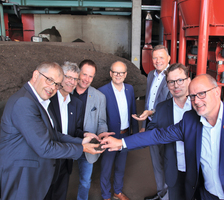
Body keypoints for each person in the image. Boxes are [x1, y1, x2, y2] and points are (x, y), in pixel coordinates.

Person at [101, 74, 224, 200]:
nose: (196, 101)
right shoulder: (190, 120)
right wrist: (121, 142)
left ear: (217, 92)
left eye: (201, 94)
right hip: (207, 195)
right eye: (192, 96)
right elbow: (158, 135)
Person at [0, 62, 102, 200]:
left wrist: (81, 141)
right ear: (35, 75)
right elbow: (45, 147)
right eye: (49, 80)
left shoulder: (38, 100)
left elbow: (52, 134)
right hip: (20, 177)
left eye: (56, 84)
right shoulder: (24, 102)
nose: (52, 87)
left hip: (32, 173)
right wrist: (82, 148)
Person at [146, 63, 191, 200]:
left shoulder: (198, 105)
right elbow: (151, 130)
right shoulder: (161, 108)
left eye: (180, 80)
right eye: (171, 82)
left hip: (196, 170)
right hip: (173, 168)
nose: (176, 85)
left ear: (188, 80)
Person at [132, 44, 172, 200]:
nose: (158, 60)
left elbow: (171, 104)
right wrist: (144, 125)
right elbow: (148, 101)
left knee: (167, 162)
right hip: (151, 124)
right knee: (156, 163)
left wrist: (152, 113)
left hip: (166, 126)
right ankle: (162, 194)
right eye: (155, 57)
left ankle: (169, 195)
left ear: (168, 58)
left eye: (161, 57)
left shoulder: (172, 76)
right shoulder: (150, 75)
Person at [98, 61, 139, 200]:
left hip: (125, 135)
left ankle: (117, 191)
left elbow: (133, 110)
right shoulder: (102, 91)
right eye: (115, 72)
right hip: (110, 136)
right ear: (110, 73)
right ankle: (105, 196)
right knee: (106, 168)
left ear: (125, 74)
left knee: (121, 167)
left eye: (121, 73)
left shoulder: (129, 89)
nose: (118, 75)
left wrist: (135, 131)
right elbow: (100, 116)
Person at [45, 61, 86, 200]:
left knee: (60, 195)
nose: (72, 82)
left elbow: (77, 131)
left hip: (66, 159)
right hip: (48, 159)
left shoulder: (77, 104)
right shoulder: (47, 100)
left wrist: (86, 135)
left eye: (75, 79)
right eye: (68, 77)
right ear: (60, 77)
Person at [72, 59, 108, 200]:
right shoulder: (65, 91)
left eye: (91, 76)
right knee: (59, 178)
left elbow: (101, 121)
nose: (87, 79)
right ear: (78, 73)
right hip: (66, 142)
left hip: (87, 145)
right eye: (84, 74)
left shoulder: (99, 97)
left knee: (85, 181)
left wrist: (102, 134)